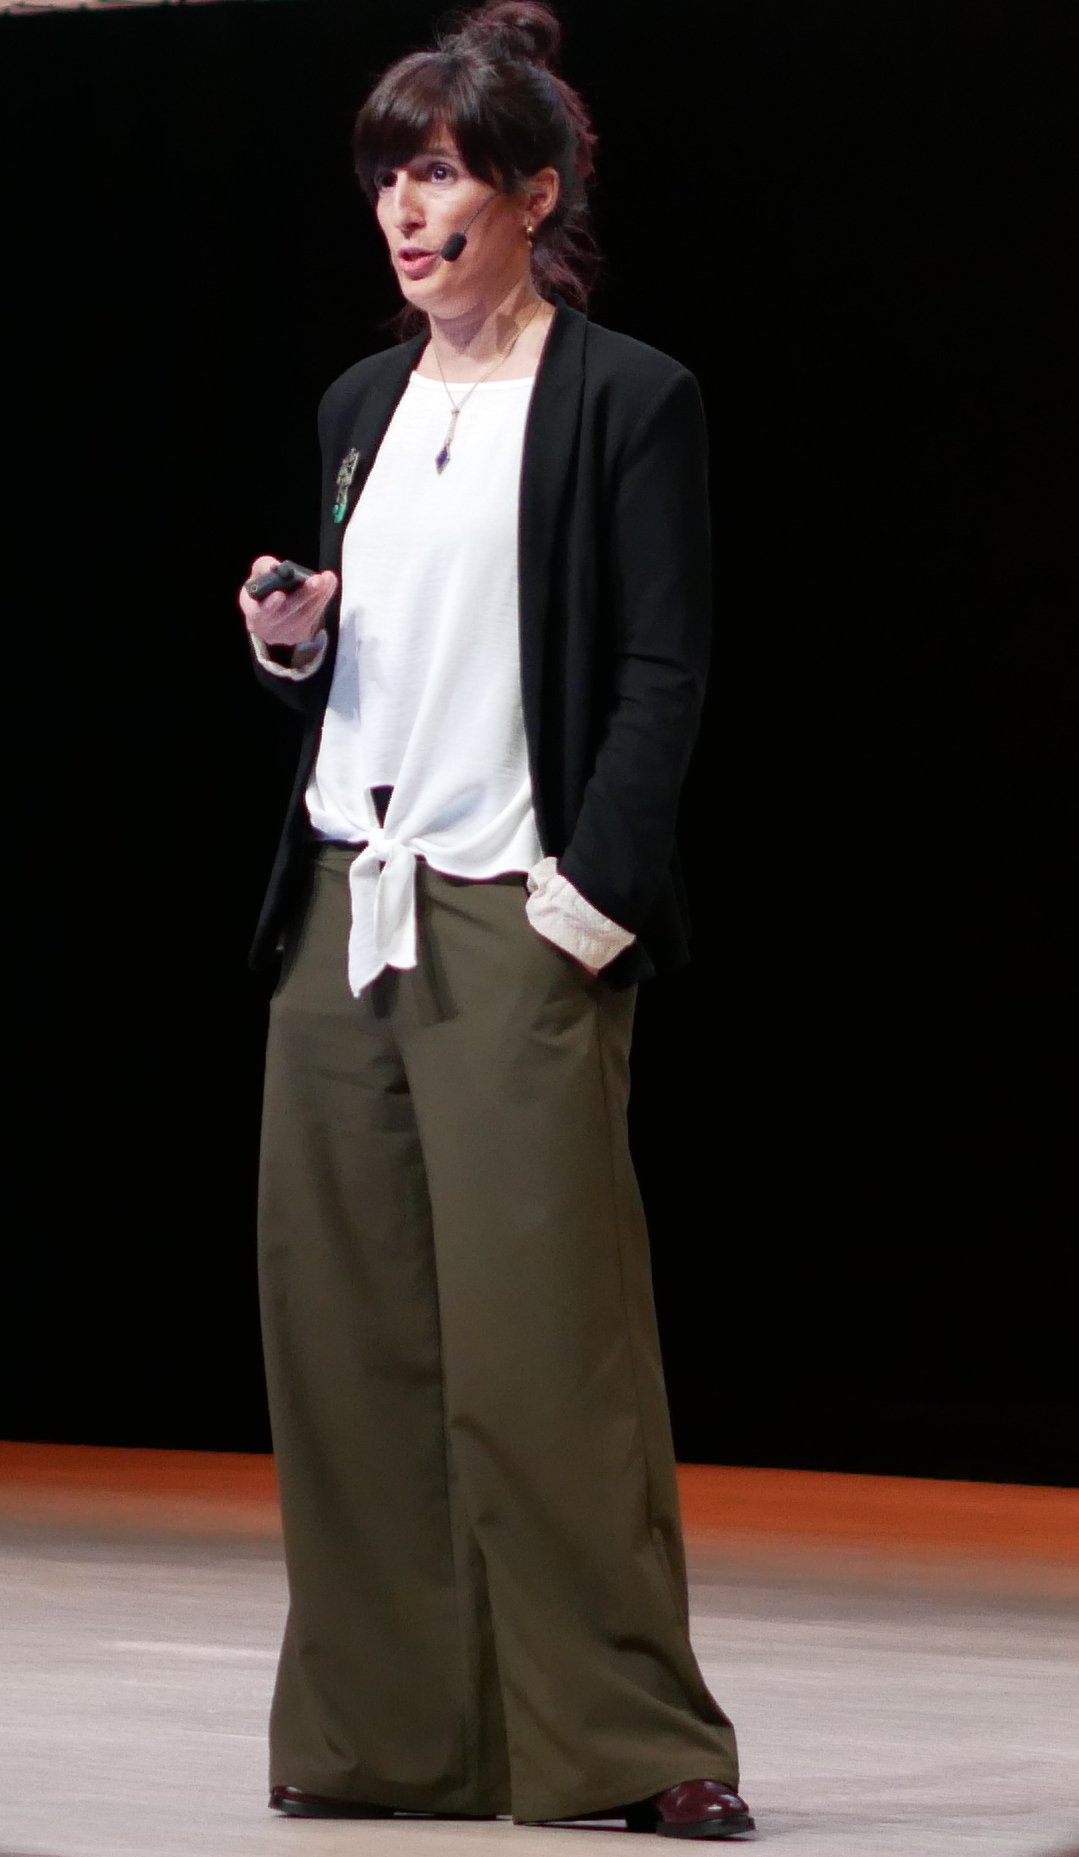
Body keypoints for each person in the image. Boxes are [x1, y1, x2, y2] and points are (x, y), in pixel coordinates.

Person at [238, 0, 753, 1839]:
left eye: (441, 169)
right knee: (354, 1344)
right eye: (388, 172)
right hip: (341, 913)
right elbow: (394, 657)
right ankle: (394, 1736)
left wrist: (587, 905)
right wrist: (301, 642)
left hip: (513, 913)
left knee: (550, 1352)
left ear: (534, 192)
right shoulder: (360, 406)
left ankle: (628, 1739)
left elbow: (661, 670)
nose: (406, 204)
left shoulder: (628, 396)